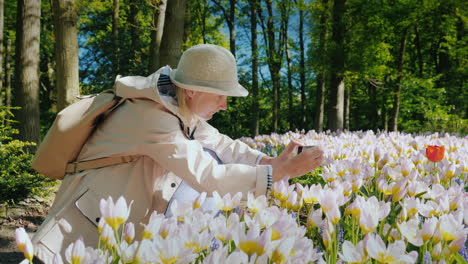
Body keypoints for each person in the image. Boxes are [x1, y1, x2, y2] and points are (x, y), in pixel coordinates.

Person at [31, 44, 324, 262]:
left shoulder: (178, 107)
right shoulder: (151, 116)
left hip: (112, 229)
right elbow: (207, 176)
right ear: (193, 90)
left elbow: (222, 144)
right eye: (221, 95)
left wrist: (268, 161)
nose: (225, 104)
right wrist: (280, 173)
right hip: (77, 233)